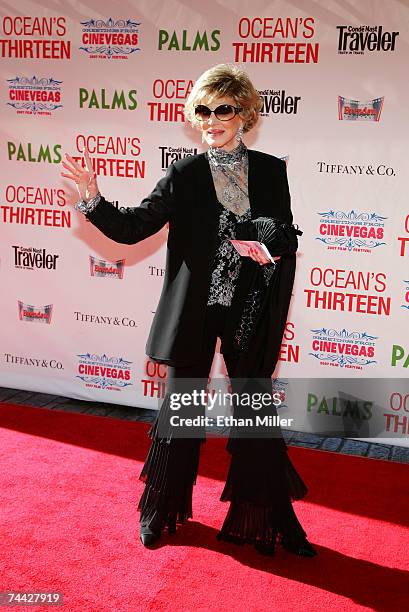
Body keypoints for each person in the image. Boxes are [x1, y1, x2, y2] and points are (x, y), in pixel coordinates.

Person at [60, 63, 317, 558]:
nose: (212, 119)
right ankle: (161, 512)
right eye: (203, 110)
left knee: (253, 416)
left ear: (244, 113)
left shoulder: (270, 170)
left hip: (249, 310)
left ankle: (268, 520)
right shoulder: (184, 174)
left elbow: (287, 235)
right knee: (180, 414)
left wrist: (262, 232)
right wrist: (93, 200)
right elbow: (134, 228)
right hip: (195, 312)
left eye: (223, 109)